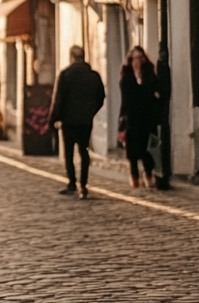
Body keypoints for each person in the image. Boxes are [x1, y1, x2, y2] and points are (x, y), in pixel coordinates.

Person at [48, 45, 106, 199]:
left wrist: (53, 119)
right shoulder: (93, 76)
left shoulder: (66, 74)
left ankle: (72, 182)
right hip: (85, 121)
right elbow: (101, 97)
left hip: (68, 121)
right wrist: (91, 111)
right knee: (84, 151)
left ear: (71, 57)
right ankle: (84, 183)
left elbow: (58, 99)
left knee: (68, 152)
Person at [118, 45, 161, 189]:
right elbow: (125, 101)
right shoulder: (126, 76)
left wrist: (156, 96)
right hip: (132, 118)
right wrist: (122, 123)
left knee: (146, 149)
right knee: (132, 151)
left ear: (143, 59)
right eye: (134, 58)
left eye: (139, 57)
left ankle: (148, 174)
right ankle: (134, 176)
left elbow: (156, 92)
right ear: (130, 60)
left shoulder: (149, 74)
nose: (136, 61)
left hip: (147, 118)